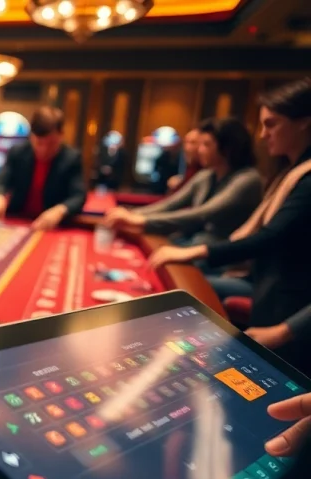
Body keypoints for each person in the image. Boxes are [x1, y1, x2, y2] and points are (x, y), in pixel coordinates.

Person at [149, 78, 311, 375]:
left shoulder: (302, 177)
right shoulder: (290, 171)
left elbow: (270, 237)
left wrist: (287, 330)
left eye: (271, 124)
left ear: (303, 122)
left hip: (287, 309)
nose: (263, 134)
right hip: (271, 296)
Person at [103, 117, 262, 251]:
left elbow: (202, 214)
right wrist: (132, 214)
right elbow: (170, 204)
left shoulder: (247, 179)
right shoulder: (206, 175)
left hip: (219, 261)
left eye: (206, 144)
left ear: (227, 148)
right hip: (191, 244)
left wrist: (141, 220)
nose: (199, 150)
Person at [0, 106, 87, 231]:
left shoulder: (72, 158)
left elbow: (78, 196)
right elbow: (0, 181)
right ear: (31, 136)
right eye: (39, 143)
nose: (44, 150)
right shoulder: (17, 152)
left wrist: (59, 211)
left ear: (61, 135)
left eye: (51, 143)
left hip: (52, 227)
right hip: (17, 219)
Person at [166, 128, 202, 194]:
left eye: (193, 142)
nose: (186, 147)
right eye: (185, 142)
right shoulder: (190, 170)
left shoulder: (206, 174)